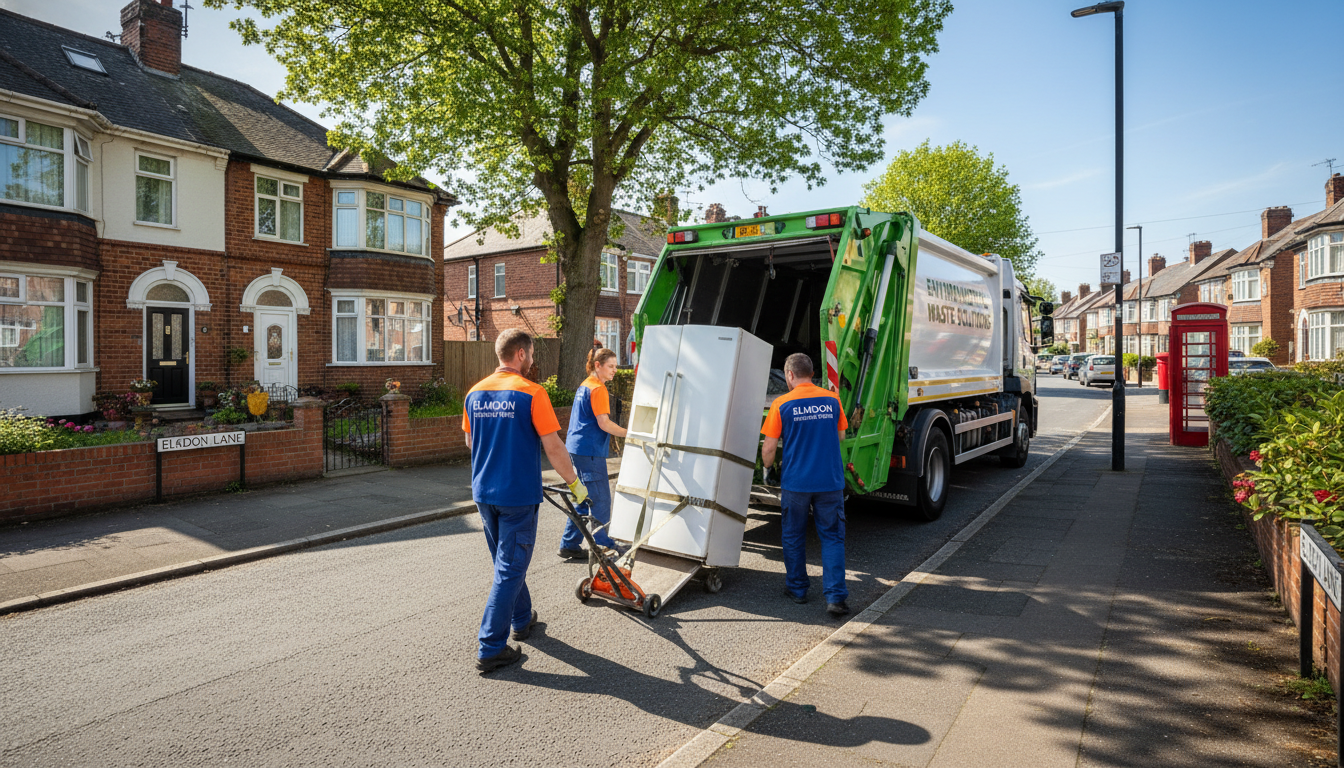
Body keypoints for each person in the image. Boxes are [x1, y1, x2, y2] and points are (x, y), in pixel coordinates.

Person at [462, 329, 588, 672]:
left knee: (506, 564)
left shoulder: (474, 393)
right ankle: (490, 647)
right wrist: (575, 483)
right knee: (509, 568)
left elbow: (472, 445)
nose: (532, 361)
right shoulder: (531, 393)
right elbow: (554, 447)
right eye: (531, 354)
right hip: (517, 494)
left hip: (484, 493)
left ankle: (521, 618)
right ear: (520, 354)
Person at [760, 352, 850, 616]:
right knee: (832, 538)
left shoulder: (781, 403)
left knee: (793, 535)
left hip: (796, 483)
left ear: (789, 375)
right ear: (811, 374)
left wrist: (768, 470)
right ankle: (835, 598)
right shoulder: (832, 399)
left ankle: (798, 589)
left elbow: (768, 448)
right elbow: (841, 435)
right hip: (829, 482)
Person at [558, 347, 629, 559]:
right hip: (589, 451)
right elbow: (604, 423)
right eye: (611, 366)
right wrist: (631, 434)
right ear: (597, 366)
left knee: (583, 497)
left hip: (577, 448)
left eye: (616, 366)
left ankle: (569, 544)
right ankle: (603, 546)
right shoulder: (598, 389)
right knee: (600, 499)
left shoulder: (585, 385)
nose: (615, 370)